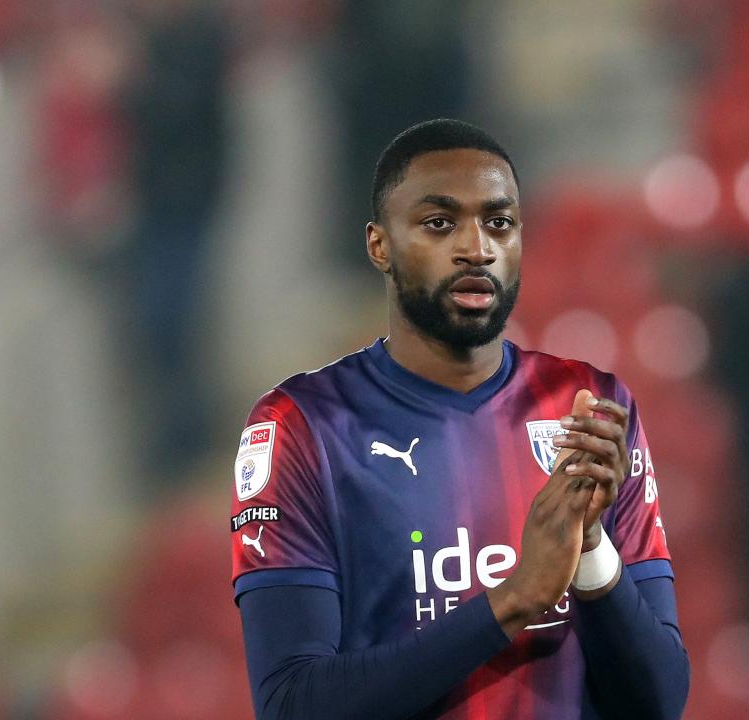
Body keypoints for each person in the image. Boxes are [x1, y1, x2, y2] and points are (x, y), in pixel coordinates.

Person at [231, 119, 690, 719]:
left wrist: (590, 554)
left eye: (499, 223)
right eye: (439, 223)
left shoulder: (590, 405)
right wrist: (514, 600)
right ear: (379, 245)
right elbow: (292, 705)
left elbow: (659, 702)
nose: (477, 248)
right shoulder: (304, 427)